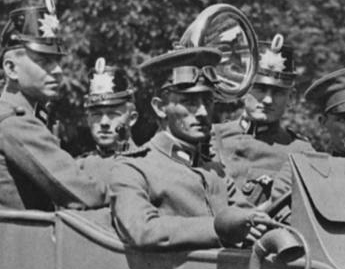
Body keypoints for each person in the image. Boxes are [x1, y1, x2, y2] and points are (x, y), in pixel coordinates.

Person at [106, 45, 272, 251]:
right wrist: (218, 228)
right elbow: (143, 230)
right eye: (189, 102)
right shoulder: (132, 168)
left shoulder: (215, 171)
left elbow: (247, 216)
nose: (202, 111)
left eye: (208, 100)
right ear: (159, 107)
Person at [0, 0, 106, 211]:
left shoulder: (8, 116)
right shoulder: (16, 124)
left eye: (57, 61)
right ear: (11, 69)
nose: (58, 70)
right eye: (44, 61)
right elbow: (88, 195)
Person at [213, 34, 311, 206]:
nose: (268, 100)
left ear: (291, 98)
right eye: (259, 88)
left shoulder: (300, 151)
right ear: (243, 88)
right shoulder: (213, 137)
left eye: (278, 92)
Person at [80, 57, 139, 159]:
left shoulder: (148, 165)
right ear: (88, 119)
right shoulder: (78, 168)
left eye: (113, 114)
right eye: (97, 115)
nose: (104, 123)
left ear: (132, 118)